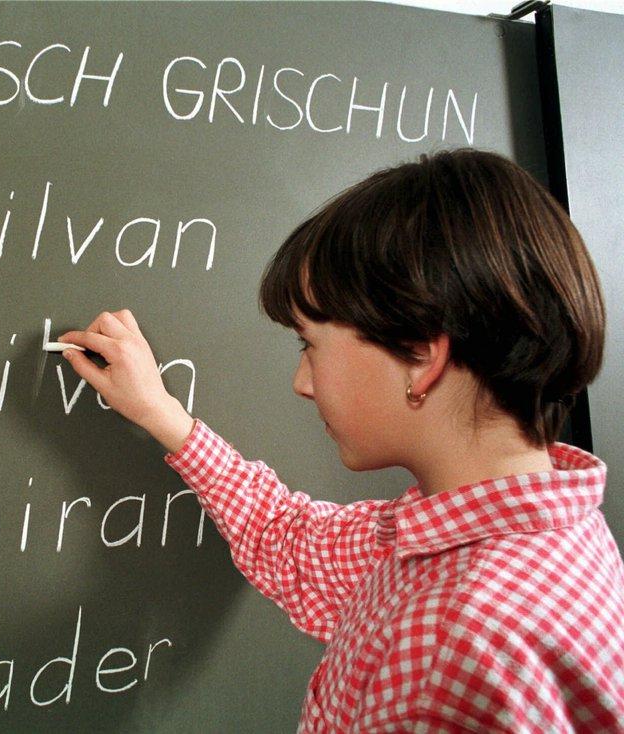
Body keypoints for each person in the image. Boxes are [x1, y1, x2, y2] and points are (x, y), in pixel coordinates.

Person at [57, 148, 624, 732]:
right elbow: (290, 545)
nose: (301, 383)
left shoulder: (453, 662)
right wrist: (162, 414)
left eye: (309, 344)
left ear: (421, 356)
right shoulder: (529, 533)